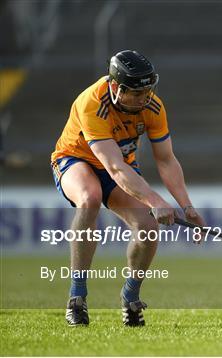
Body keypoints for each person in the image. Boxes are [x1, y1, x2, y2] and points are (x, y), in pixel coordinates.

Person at [51, 50, 205, 326]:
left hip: (119, 163)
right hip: (76, 159)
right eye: (135, 93)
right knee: (89, 199)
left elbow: (167, 160)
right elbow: (114, 169)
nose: (142, 100)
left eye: (147, 92)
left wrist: (187, 206)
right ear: (114, 87)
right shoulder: (91, 103)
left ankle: (130, 296)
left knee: (147, 227)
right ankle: (77, 297)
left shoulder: (153, 106)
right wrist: (155, 199)